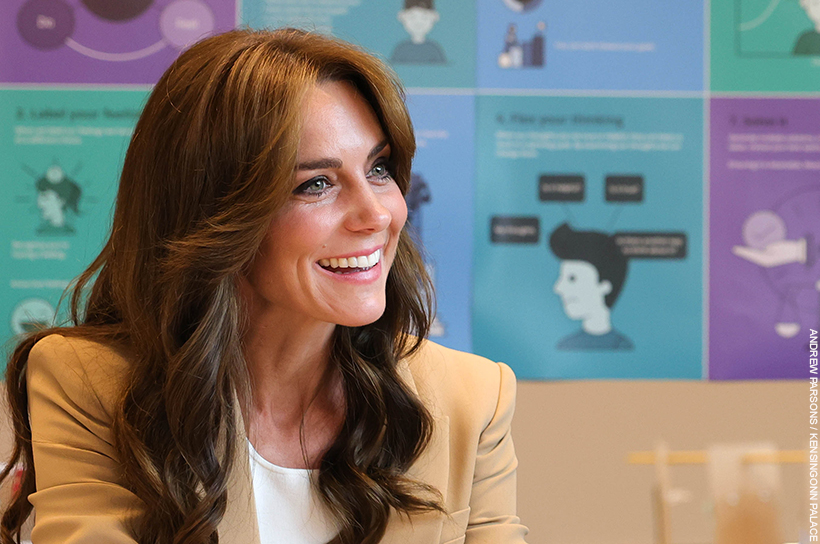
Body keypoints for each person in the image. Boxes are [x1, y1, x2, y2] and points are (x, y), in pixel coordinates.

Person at [0, 29, 527, 544]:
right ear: (215, 214)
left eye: (380, 168)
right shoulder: (89, 385)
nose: (377, 215)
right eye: (316, 184)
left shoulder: (472, 399)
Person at [549, 223, 633, 350]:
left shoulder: (623, 346)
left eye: (572, 278)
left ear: (604, 286)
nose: (558, 288)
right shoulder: (565, 345)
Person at [391, 0, 446, 64]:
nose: (418, 22)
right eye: (412, 17)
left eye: (424, 18)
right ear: (402, 17)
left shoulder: (434, 49)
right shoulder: (400, 50)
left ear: (434, 17)